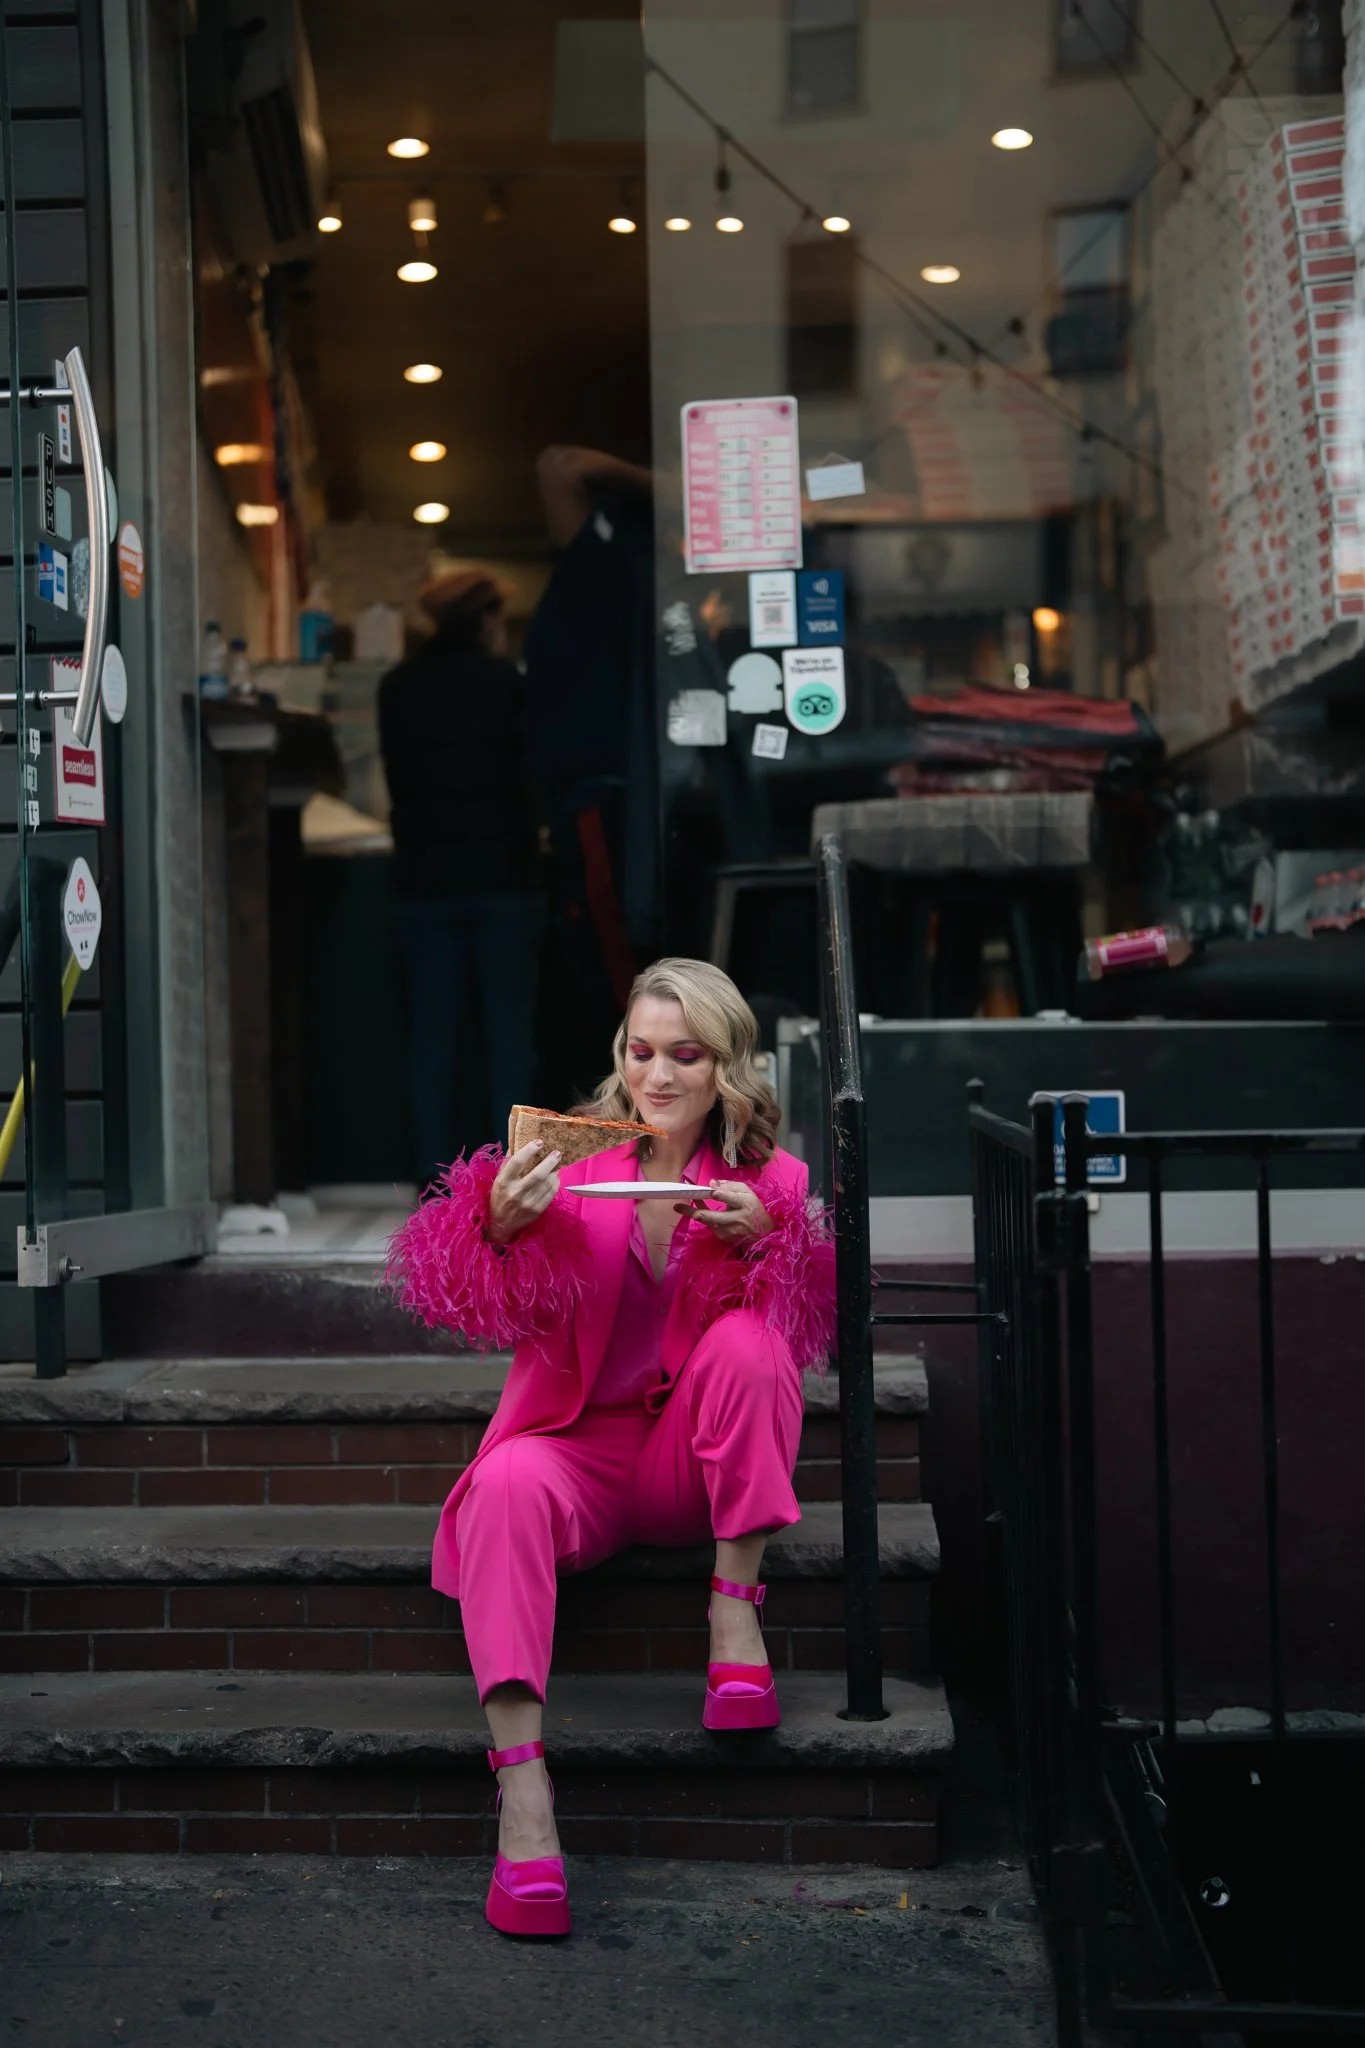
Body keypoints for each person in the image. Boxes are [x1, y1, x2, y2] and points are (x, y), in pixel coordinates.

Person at [385, 958, 835, 1938]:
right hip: (575, 1457)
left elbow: (807, 1330)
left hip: (688, 1463)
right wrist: (494, 1229)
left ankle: (734, 1617)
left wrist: (771, 1241)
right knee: (503, 1481)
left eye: (687, 1054)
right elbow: (477, 1306)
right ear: (619, 1057)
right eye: (642, 1051)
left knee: (754, 1345)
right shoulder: (567, 1168)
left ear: (727, 1065)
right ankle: (526, 1795)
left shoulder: (775, 1179)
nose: (661, 1074)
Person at [378, 569, 542, 1189]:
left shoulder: (398, 686)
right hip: (504, 879)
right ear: (487, 620)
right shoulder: (507, 683)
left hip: (424, 883)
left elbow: (397, 785)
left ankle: (433, 1176)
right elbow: (528, 780)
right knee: (508, 1035)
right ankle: (515, 1172)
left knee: (431, 1037)